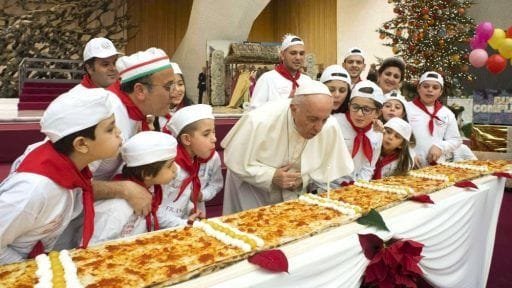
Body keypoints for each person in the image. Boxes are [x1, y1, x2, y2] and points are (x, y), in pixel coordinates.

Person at [0, 89, 122, 264]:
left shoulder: (77, 164)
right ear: (81, 144)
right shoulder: (35, 190)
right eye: (110, 129)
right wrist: (31, 270)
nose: (119, 132)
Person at [222, 80, 354, 214]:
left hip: (293, 198)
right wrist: (270, 176)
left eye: (324, 119)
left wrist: (304, 178)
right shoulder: (259, 120)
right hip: (253, 193)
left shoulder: (329, 125)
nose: (319, 128)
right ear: (294, 109)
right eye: (312, 119)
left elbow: (327, 166)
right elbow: (235, 159)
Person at [90, 47, 175, 218]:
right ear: (140, 91)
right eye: (168, 87)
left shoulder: (136, 115)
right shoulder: (106, 116)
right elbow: (70, 182)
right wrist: (124, 189)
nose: (174, 94)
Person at [90, 131, 178, 245]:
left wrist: (185, 224)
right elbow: (94, 247)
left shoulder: (150, 188)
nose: (175, 169)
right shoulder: (116, 208)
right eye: (170, 165)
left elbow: (155, 213)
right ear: (147, 174)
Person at [158, 104, 220, 227]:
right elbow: (156, 210)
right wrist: (185, 223)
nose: (214, 139)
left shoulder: (209, 158)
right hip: (167, 229)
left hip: (189, 223)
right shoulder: (170, 166)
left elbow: (216, 184)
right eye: (206, 134)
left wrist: (198, 200)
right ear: (187, 139)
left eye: (214, 132)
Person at [406, 71, 462, 167]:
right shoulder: (406, 108)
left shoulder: (447, 113)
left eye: (435, 87)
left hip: (436, 167)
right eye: (426, 86)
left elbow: (455, 140)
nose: (430, 90)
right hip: (409, 164)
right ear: (419, 88)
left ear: (440, 92)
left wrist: (440, 147)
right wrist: (410, 154)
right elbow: (397, 136)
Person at [334, 80, 384, 181]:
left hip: (355, 186)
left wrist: (358, 187)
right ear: (349, 106)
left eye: (366, 109)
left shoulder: (377, 132)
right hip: (326, 185)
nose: (359, 114)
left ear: (377, 113)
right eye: (355, 107)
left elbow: (368, 167)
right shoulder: (335, 123)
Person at [249, 34, 312, 110]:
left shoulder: (307, 81)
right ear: (282, 55)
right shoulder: (267, 79)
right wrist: (287, 104)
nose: (298, 57)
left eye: (301, 54)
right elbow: (254, 112)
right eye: (293, 53)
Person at [157, 62, 194, 133]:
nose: (177, 89)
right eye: (170, 85)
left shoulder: (191, 112)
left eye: (180, 84)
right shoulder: (153, 113)